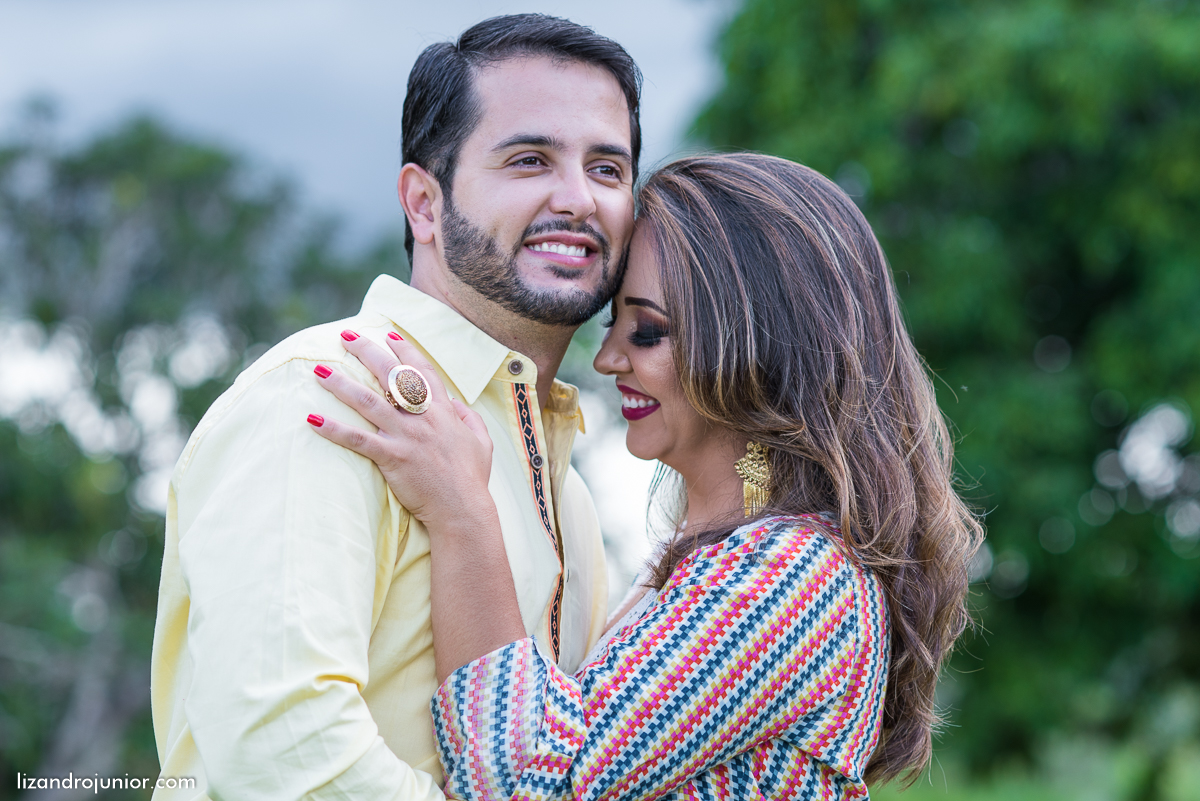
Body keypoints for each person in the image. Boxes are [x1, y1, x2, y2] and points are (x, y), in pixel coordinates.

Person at [308, 153, 983, 799]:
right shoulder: (711, 561)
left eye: (648, 331)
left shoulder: (796, 574)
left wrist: (461, 511)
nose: (606, 358)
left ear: (756, 341)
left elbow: (528, 785)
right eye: (615, 324)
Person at [150, 14, 641, 799]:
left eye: (608, 170)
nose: (578, 199)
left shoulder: (570, 491)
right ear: (423, 202)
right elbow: (279, 743)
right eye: (529, 160)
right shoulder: (323, 394)